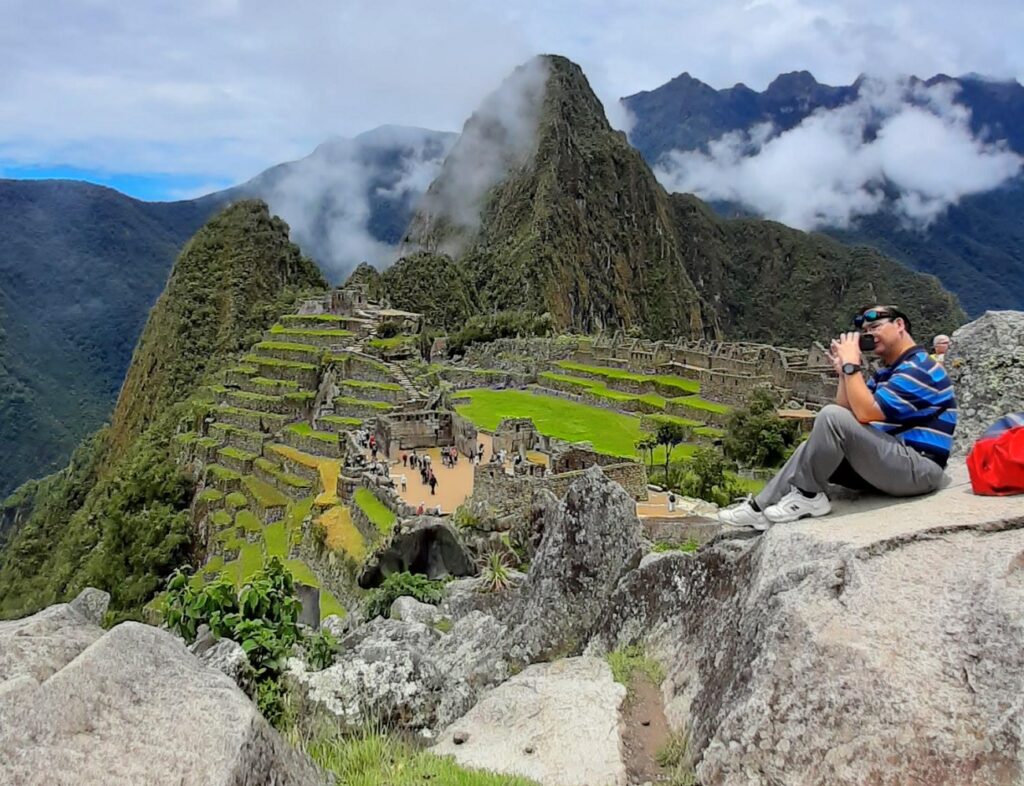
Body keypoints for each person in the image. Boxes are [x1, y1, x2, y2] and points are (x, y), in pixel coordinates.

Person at [719, 305, 957, 530]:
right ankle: (759, 508)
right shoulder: (888, 372)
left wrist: (853, 366)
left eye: (875, 327)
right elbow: (848, 411)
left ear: (899, 324)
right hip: (891, 463)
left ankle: (808, 496)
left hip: (919, 468)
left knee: (830, 417)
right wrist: (844, 371)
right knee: (813, 445)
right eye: (865, 331)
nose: (870, 335)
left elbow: (862, 413)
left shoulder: (920, 367)